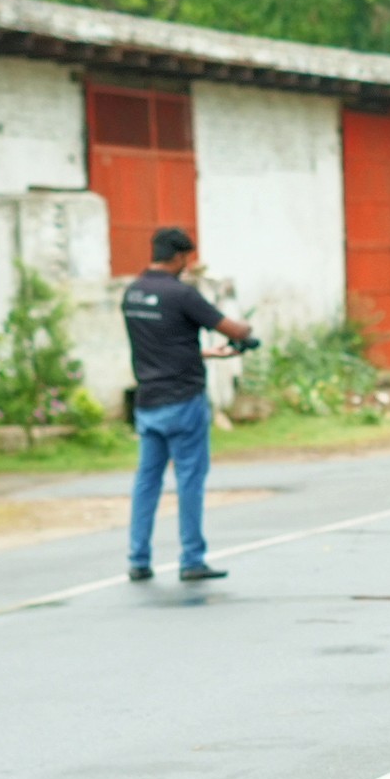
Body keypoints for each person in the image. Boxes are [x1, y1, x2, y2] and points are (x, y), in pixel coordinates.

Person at [120, 226, 253, 584]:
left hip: (148, 403)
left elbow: (162, 346)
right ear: (179, 257)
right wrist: (247, 332)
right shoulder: (181, 294)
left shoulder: (133, 293)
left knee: (147, 481)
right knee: (189, 479)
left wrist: (205, 353)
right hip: (183, 401)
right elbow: (233, 330)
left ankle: (138, 559)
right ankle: (192, 559)